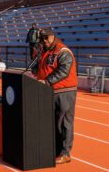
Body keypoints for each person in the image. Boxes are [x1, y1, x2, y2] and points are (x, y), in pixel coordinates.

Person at [34, 28, 77, 164]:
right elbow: (38, 70)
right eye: (42, 39)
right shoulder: (45, 52)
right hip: (50, 91)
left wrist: (47, 81)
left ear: (53, 36)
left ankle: (65, 153)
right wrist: (36, 55)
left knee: (64, 123)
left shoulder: (63, 51)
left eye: (46, 38)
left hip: (64, 91)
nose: (44, 41)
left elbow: (64, 70)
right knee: (54, 123)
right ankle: (57, 150)